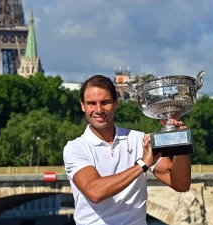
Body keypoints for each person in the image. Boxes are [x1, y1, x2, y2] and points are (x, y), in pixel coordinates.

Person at [63, 75, 191, 225]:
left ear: (116, 102)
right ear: (83, 106)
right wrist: (142, 164)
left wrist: (179, 142)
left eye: (105, 103)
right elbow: (95, 192)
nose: (98, 110)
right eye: (92, 103)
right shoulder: (75, 148)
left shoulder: (138, 139)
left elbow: (181, 184)